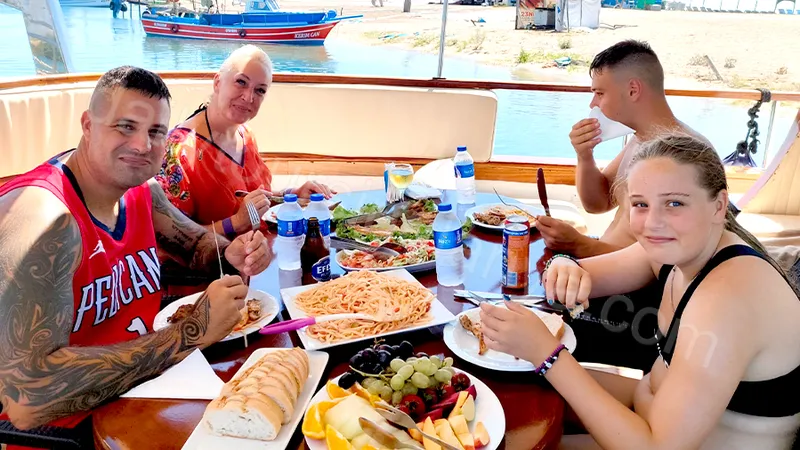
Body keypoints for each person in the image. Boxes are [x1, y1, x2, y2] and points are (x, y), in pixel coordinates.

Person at [481, 134, 800, 449]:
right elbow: (582, 275)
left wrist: (546, 354)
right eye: (640, 204)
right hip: (648, 411)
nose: (653, 223)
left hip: (660, 442)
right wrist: (563, 264)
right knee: (505, 387)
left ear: (718, 206)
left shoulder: (726, 299)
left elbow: (655, 446)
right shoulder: (678, 249)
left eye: (675, 203)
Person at [0, 66, 271, 437]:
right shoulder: (44, 221)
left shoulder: (142, 190)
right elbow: (28, 398)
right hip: (74, 430)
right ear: (88, 125)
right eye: (125, 127)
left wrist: (233, 253)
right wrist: (190, 332)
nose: (143, 146)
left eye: (156, 132)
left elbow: (196, 245)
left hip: (153, 388)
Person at [537, 40, 710, 259]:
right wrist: (584, 155)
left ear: (633, 90)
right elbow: (598, 203)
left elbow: (663, 261)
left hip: (626, 278)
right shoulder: (642, 138)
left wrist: (580, 245)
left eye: (600, 93)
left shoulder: (679, 157)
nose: (593, 104)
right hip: (603, 259)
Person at [155, 44, 335, 240]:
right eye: (241, 82)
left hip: (260, 250)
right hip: (220, 259)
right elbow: (169, 238)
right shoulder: (177, 151)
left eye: (260, 90)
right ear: (217, 82)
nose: (249, 97)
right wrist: (236, 222)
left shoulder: (245, 134)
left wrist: (293, 195)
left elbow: (254, 201)